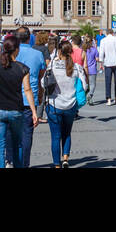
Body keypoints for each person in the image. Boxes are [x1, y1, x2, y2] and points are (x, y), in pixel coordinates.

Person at [0, 34, 37, 168]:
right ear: (16, 49)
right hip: (16, 111)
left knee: (0, 146)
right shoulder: (23, 68)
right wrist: (34, 111)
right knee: (18, 144)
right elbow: (28, 90)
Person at [45, 38, 89, 167]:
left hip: (54, 105)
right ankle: (65, 158)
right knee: (67, 133)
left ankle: (57, 164)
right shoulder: (77, 67)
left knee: (55, 137)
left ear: (59, 51)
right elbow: (84, 86)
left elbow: (44, 84)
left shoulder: (52, 66)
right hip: (70, 105)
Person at [13, 26, 46, 168]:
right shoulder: (37, 54)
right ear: (29, 38)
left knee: (13, 135)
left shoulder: (12, 54)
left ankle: (13, 161)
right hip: (29, 99)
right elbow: (41, 75)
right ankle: (24, 164)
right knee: (27, 135)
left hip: (11, 98)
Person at [98, 27, 116, 105]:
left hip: (107, 63)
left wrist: (101, 62)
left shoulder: (103, 40)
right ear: (112, 33)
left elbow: (101, 52)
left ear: (107, 33)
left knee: (108, 81)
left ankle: (108, 99)